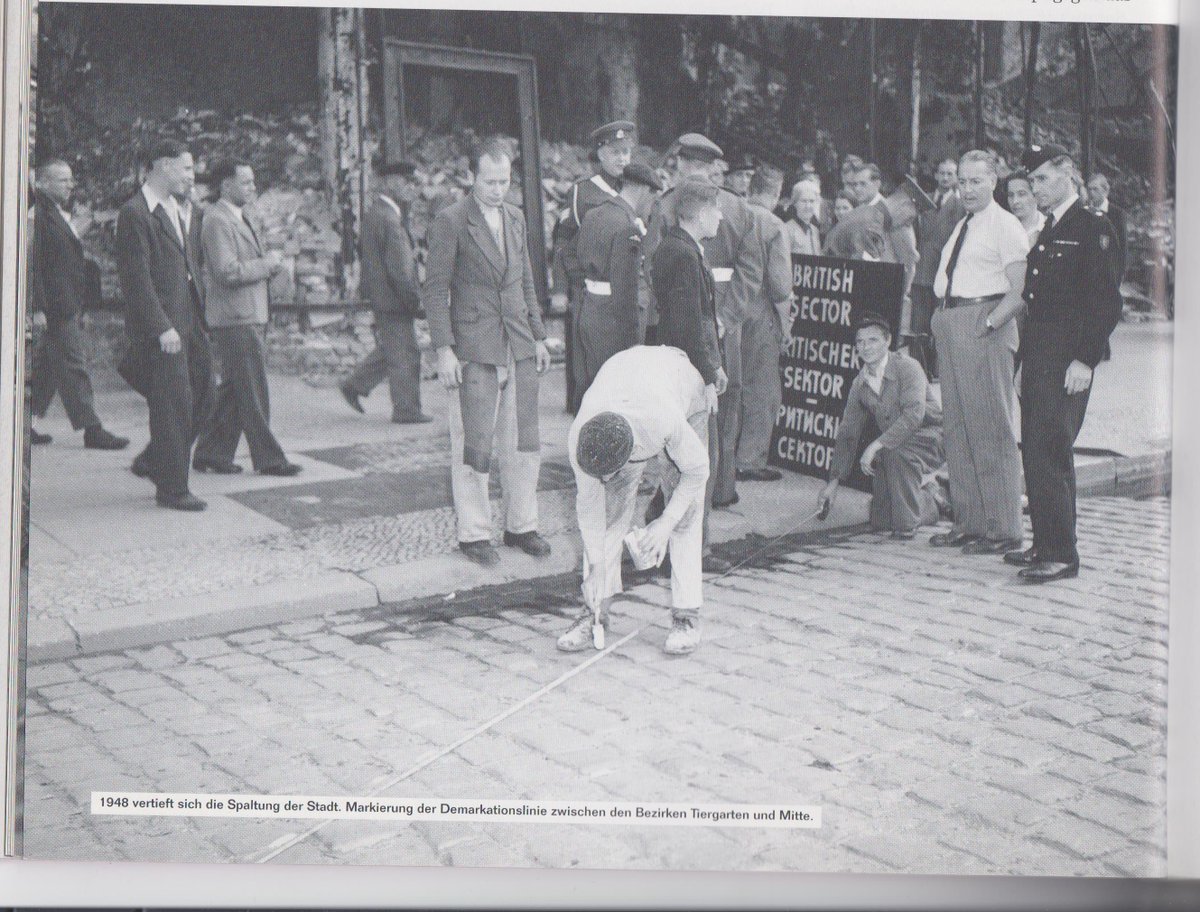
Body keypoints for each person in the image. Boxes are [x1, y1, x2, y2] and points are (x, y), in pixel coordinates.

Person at [421, 139, 553, 567]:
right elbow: (436, 289)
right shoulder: (452, 221)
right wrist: (444, 350)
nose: (499, 189)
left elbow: (527, 281)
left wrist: (538, 335)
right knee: (473, 442)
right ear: (471, 178)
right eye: (490, 181)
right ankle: (474, 532)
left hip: (518, 343)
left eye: (505, 181)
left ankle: (521, 525)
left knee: (523, 441)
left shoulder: (515, 218)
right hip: (475, 345)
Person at [1008, 146, 1123, 582]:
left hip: (1067, 358)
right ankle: (1044, 542)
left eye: (1040, 179)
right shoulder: (1054, 228)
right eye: (1031, 181)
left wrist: (1085, 359)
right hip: (1039, 356)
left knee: (1052, 448)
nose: (1033, 188)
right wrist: (1024, 361)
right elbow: (1038, 304)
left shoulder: (1092, 228)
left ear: (1067, 174)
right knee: (1034, 449)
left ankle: (1061, 554)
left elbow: (1105, 301)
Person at [557, 346, 717, 655]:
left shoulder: (662, 419)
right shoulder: (583, 438)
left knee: (684, 513)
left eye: (609, 474)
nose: (604, 482)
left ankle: (687, 617)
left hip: (682, 386)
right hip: (627, 377)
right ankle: (595, 615)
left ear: (628, 456)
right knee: (610, 516)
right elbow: (590, 511)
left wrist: (665, 523)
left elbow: (698, 471)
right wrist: (597, 566)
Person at [643, 133, 755, 511]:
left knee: (723, 405)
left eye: (697, 168)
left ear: (710, 169)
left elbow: (749, 270)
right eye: (687, 167)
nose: (691, 174)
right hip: (701, 319)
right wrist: (721, 318)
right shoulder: (678, 207)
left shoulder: (727, 208)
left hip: (713, 318)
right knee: (703, 412)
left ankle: (716, 491)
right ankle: (700, 498)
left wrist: (723, 318)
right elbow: (657, 265)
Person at [929, 150, 1029, 555]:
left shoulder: (1005, 226)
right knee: (958, 427)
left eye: (975, 181)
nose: (966, 189)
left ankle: (1003, 528)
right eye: (962, 182)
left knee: (991, 428)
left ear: (993, 182)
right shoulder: (964, 223)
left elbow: (1021, 291)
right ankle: (969, 522)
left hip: (983, 320)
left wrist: (988, 325)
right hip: (952, 321)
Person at [116, 138, 214, 511]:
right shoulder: (136, 213)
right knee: (173, 404)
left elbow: (188, 269)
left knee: (206, 393)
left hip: (190, 322)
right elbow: (136, 280)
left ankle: (155, 459)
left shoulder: (176, 208)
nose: (192, 176)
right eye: (187, 168)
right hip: (165, 328)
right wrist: (162, 327)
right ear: (163, 166)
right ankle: (172, 489)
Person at [191, 158, 300, 478]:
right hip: (235, 317)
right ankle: (269, 459)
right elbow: (226, 271)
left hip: (247, 314)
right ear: (226, 185)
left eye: (253, 182)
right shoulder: (217, 220)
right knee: (253, 389)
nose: (253, 187)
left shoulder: (237, 217)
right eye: (246, 182)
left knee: (235, 390)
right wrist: (268, 264)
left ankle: (211, 453)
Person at [649, 177, 731, 574]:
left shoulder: (677, 247)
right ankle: (690, 553)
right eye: (716, 209)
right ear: (698, 214)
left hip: (680, 364)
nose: (720, 216)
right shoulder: (683, 254)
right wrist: (709, 371)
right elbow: (689, 323)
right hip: (688, 370)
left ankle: (672, 542)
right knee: (694, 463)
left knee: (681, 461)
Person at [28, 160, 128, 450]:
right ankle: (92, 429)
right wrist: (36, 308)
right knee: (73, 363)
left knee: (48, 365)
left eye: (71, 180)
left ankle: (26, 421)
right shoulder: (39, 216)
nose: (70, 185)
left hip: (66, 302)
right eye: (62, 180)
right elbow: (32, 264)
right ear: (42, 184)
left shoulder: (54, 214)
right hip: (56, 306)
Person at [819, 313, 945, 538]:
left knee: (900, 517)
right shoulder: (860, 383)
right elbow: (848, 433)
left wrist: (875, 446)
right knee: (881, 521)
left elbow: (913, 416)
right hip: (895, 444)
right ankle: (933, 497)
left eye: (873, 340)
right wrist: (833, 482)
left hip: (931, 437)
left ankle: (908, 523)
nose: (865, 347)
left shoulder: (908, 367)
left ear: (887, 341)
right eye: (860, 342)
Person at [552, 120, 635, 412]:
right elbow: (562, 240)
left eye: (627, 152)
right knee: (586, 366)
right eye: (615, 152)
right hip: (588, 289)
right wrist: (561, 289)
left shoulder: (634, 189)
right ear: (600, 154)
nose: (623, 159)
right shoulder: (582, 193)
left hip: (624, 293)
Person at [340, 160, 430, 424]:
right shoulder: (389, 219)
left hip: (384, 297)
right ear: (391, 183)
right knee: (406, 353)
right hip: (394, 299)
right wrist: (415, 301)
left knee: (393, 347)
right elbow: (400, 269)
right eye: (406, 182)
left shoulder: (377, 213)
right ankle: (406, 410)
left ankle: (355, 385)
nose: (411, 189)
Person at [573, 162, 662, 403]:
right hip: (615, 321)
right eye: (653, 200)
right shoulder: (627, 226)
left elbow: (574, 259)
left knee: (595, 391)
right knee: (619, 397)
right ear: (645, 191)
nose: (651, 208)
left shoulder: (593, 214)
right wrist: (633, 343)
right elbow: (626, 291)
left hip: (590, 310)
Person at [735, 165, 794, 483]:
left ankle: (727, 453)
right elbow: (781, 286)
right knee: (763, 390)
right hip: (760, 315)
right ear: (775, 192)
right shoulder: (773, 225)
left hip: (731, 312)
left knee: (733, 385)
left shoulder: (731, 214)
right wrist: (786, 327)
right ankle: (749, 459)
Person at [910, 159, 967, 377]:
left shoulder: (961, 206)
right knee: (918, 325)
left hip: (944, 273)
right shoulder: (922, 201)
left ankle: (939, 371)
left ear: (955, 178)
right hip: (921, 271)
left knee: (941, 325)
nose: (945, 178)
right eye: (941, 173)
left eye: (950, 174)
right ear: (936, 175)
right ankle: (918, 371)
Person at [1085, 172, 1128, 277]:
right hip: (1087, 273)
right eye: (1089, 189)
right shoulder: (1085, 212)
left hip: (1108, 274)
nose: (1091, 193)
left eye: (1095, 189)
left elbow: (1122, 248)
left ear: (1105, 191)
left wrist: (1118, 278)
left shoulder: (1117, 214)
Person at [1003, 171, 1046, 245]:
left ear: (1035, 195)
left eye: (1021, 194)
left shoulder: (1050, 226)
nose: (1015, 201)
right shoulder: (1001, 229)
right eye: (1010, 195)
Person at [782, 178, 822, 256]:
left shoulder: (815, 231)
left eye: (812, 201)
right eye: (804, 201)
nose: (808, 206)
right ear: (795, 203)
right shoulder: (786, 230)